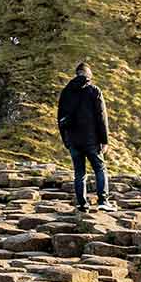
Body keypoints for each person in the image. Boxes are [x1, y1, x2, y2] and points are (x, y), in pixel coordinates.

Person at [56, 61, 110, 210]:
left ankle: (81, 203)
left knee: (79, 173)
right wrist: (104, 140)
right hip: (91, 140)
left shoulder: (66, 92)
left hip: (73, 141)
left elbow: (60, 118)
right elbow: (101, 117)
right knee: (100, 168)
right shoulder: (94, 90)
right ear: (88, 74)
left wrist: (66, 140)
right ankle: (103, 201)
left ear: (77, 74)